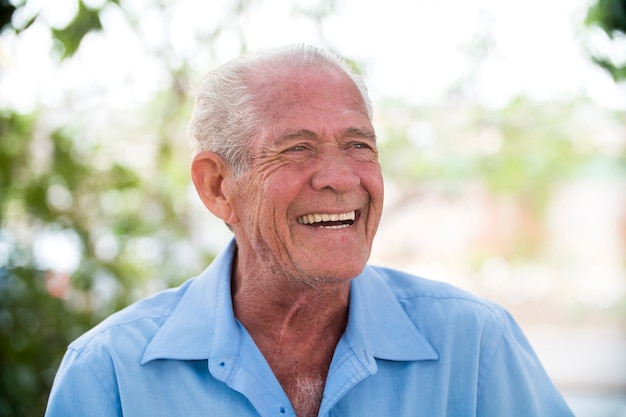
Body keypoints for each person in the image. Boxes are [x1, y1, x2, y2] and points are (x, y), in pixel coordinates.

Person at [44, 44, 575, 417]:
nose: (342, 177)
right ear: (217, 187)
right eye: (297, 148)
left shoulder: (475, 345)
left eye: (359, 146)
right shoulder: (108, 374)